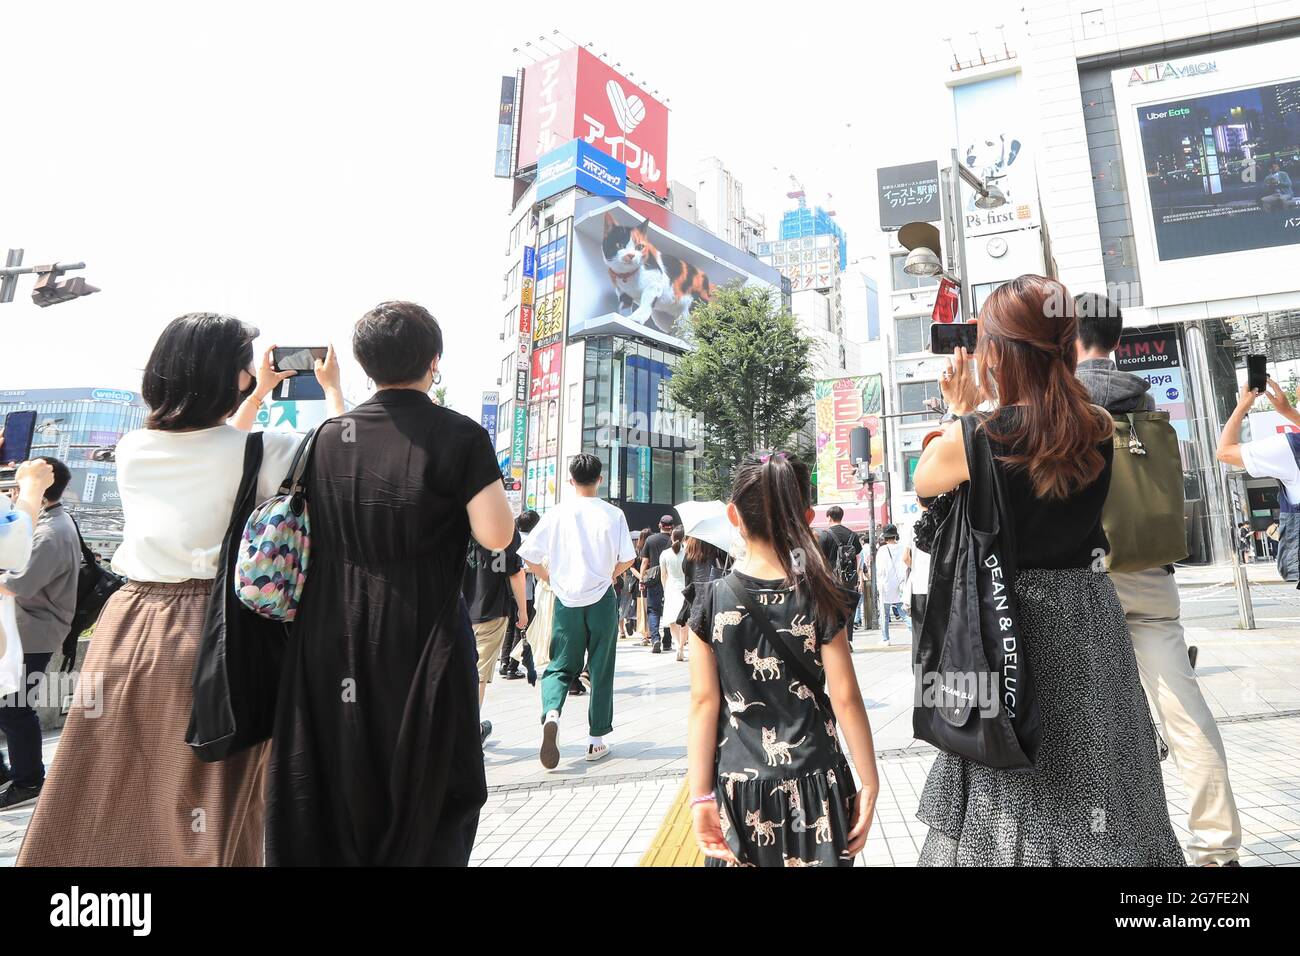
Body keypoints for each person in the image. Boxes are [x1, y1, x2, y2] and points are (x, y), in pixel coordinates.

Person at [18, 314, 344, 866]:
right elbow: (342, 456)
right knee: (210, 792)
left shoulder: (132, 449)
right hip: (216, 628)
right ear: (233, 377)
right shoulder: (270, 451)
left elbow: (215, 446)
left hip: (127, 626)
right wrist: (333, 390)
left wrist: (255, 389)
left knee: (108, 779)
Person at [912, 274, 1183, 866]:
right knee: (1098, 760)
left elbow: (925, 479)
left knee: (1014, 772)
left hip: (1010, 618)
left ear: (1000, 353)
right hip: (1087, 616)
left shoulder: (975, 434)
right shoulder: (1098, 426)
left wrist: (962, 408)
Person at [266, 301, 513, 867]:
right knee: (429, 779)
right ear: (435, 361)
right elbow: (497, 536)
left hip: (332, 633)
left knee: (341, 772)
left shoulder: (327, 437)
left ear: (363, 365)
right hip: (422, 631)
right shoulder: (461, 436)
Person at [1076, 290, 1241, 866]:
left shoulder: (1062, 399)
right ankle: (1218, 850)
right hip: (1150, 573)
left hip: (1084, 580)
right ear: (1117, 339)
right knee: (1184, 711)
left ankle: (1100, 845)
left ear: (1067, 337)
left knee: (1083, 718)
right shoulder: (1141, 395)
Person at [686, 451, 879, 867]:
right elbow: (845, 698)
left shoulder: (711, 599)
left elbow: (704, 703)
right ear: (807, 517)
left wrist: (700, 795)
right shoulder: (821, 596)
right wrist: (869, 781)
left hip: (739, 790)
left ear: (734, 516)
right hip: (817, 783)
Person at [518, 453, 636, 769]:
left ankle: (552, 712)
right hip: (601, 600)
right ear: (600, 479)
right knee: (601, 667)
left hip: (565, 600)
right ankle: (596, 741)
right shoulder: (614, 514)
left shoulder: (556, 514)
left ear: (571, 480)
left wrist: (551, 579)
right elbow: (629, 558)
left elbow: (528, 556)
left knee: (560, 664)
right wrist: (610, 574)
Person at [0, 457, 80, 810]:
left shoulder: (48, 533)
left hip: (32, 632)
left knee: (15, 708)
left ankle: (29, 780)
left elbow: (16, 583)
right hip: (25, 628)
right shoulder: (53, 522)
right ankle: (8, 773)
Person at [463, 516, 528, 745]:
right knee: (478, 675)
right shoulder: (504, 526)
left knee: (456, 671)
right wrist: (523, 610)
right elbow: (515, 572)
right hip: (491, 610)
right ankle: (469, 731)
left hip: (454, 612)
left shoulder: (452, 518)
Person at [500, 510, 541, 680]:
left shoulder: (511, 537)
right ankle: (512, 666)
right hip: (524, 592)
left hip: (507, 590)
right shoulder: (531, 542)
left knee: (510, 627)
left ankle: (504, 663)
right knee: (522, 627)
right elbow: (524, 568)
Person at [818, 505, 863, 632]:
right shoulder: (852, 535)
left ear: (829, 517)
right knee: (848, 608)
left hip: (832, 578)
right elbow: (858, 555)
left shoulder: (825, 535)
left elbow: (821, 558)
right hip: (849, 578)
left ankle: (837, 637)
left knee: (833, 609)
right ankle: (847, 640)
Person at [639, 515, 674, 653]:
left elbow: (644, 562)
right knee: (668, 610)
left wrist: (642, 579)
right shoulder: (675, 541)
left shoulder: (650, 539)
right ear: (671, 526)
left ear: (660, 525)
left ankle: (655, 639)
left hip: (654, 580)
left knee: (653, 610)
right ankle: (667, 641)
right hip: (671, 580)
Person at [873, 525, 908, 646]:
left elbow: (880, 569)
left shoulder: (882, 550)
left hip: (886, 584)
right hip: (901, 583)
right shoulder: (903, 547)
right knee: (903, 611)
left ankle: (885, 638)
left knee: (885, 613)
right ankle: (914, 632)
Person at [659, 526, 687, 662]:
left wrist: (665, 589)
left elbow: (663, 575)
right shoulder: (687, 552)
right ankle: (681, 647)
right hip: (685, 587)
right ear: (683, 538)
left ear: (672, 537)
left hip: (670, 586)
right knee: (685, 621)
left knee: (672, 620)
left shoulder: (664, 554)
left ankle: (676, 645)